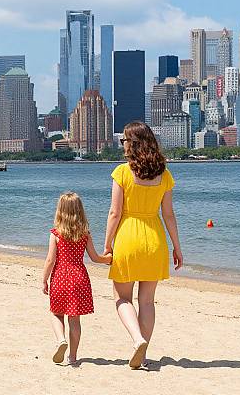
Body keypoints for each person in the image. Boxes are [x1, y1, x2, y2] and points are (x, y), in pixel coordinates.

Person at [103, 122, 183, 370]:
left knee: (121, 298)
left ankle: (137, 339)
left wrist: (107, 245)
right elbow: (168, 214)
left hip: (128, 237)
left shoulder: (122, 172)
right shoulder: (164, 174)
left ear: (132, 143)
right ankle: (144, 353)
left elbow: (115, 213)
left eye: (124, 141)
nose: (123, 145)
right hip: (155, 239)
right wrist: (177, 247)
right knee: (147, 302)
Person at [42, 192, 112, 365]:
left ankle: (60, 340)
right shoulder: (84, 234)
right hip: (79, 278)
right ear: (80, 211)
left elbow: (50, 260)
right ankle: (72, 357)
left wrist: (44, 279)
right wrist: (109, 259)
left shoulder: (56, 234)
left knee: (56, 313)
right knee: (75, 319)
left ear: (60, 211)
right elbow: (95, 257)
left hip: (60, 277)